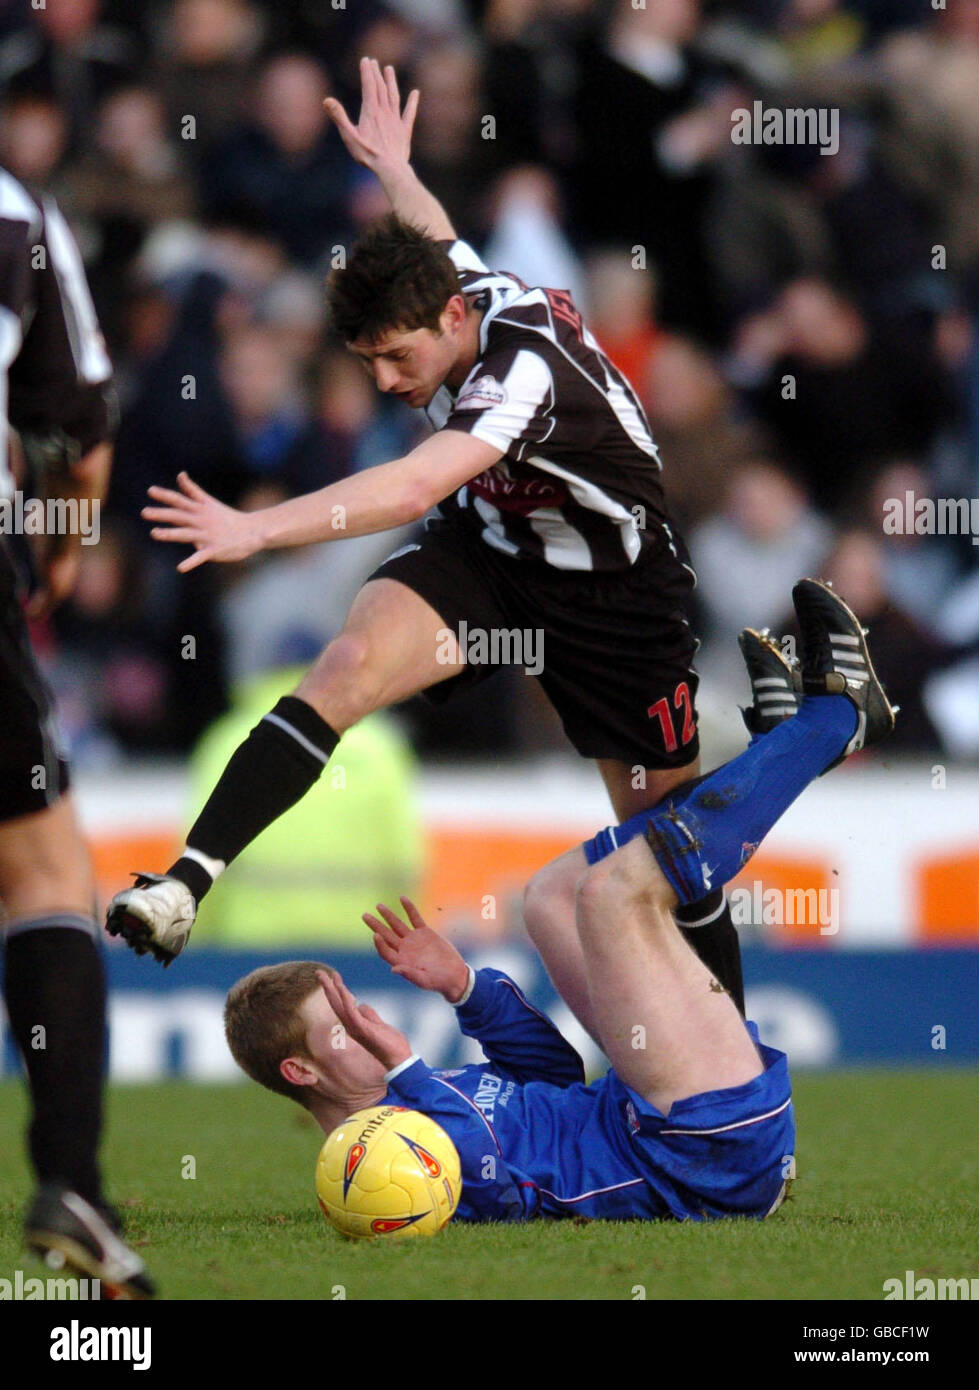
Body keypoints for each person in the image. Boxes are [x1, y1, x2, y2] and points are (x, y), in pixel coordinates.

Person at [106, 56, 743, 1010]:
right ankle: (183, 885)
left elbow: (411, 486)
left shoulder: (524, 370)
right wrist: (396, 170)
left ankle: (735, 1092)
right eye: (366, 362)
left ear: (450, 320)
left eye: (398, 358)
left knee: (671, 859)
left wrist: (254, 529)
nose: (388, 381)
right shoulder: (457, 293)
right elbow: (436, 236)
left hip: (618, 598)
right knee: (348, 663)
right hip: (492, 554)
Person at [223, 580, 894, 1223]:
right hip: (695, 1161)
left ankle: (773, 758)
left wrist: (465, 991)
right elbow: (482, 1179)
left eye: (352, 1003)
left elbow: (553, 1073)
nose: (364, 1018)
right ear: (298, 1069)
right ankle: (830, 720)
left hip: (643, 1114)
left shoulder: (405, 1097)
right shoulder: (366, 1157)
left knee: (552, 895)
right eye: (342, 1022)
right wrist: (406, 1063)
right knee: (611, 897)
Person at [0, 165, 154, 1297]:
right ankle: (71, 1186)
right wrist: (56, 546)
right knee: (44, 869)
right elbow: (72, 426)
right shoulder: (16, 211)